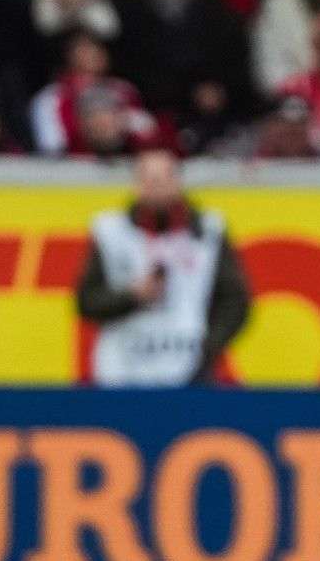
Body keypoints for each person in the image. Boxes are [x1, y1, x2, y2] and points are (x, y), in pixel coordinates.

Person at [73, 147, 253, 386]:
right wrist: (132, 296)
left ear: (178, 182)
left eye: (164, 179)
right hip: (121, 369)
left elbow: (235, 301)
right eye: (149, 179)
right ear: (136, 184)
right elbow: (86, 302)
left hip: (189, 367)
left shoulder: (208, 232)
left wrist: (207, 348)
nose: (156, 187)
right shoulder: (110, 232)